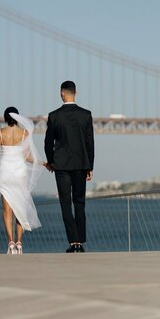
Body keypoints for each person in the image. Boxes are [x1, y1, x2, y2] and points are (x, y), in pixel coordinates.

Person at [44, 81, 94, 253]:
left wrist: (50, 161)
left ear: (61, 93)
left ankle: (73, 242)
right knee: (79, 203)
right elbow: (89, 143)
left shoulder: (54, 116)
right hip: (81, 165)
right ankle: (81, 242)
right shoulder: (86, 115)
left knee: (65, 203)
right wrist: (90, 166)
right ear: (75, 93)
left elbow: (48, 142)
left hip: (62, 166)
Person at [0, 107, 44, 254]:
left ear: (5, 118)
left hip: (5, 172)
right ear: (17, 118)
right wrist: (42, 163)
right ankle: (20, 243)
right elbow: (27, 157)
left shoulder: (0, 133)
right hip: (20, 172)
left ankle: (10, 242)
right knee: (20, 208)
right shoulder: (24, 134)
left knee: (7, 210)